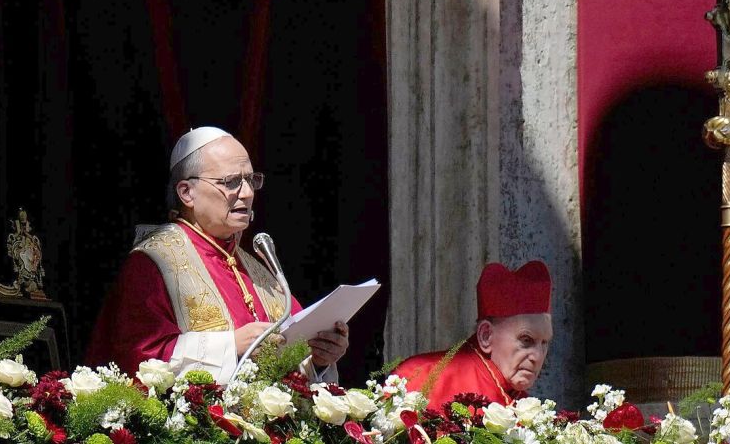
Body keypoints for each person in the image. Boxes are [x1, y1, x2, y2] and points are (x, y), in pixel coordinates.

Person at [85, 127, 349, 384]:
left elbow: (288, 359)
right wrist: (231, 345)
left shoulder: (256, 268)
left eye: (251, 180)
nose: (247, 193)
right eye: (231, 182)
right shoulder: (153, 263)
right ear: (186, 192)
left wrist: (319, 358)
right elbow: (137, 360)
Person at [393, 261, 553, 411]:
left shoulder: (529, 411)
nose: (538, 357)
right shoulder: (419, 377)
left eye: (544, 343)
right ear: (486, 335)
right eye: (526, 340)